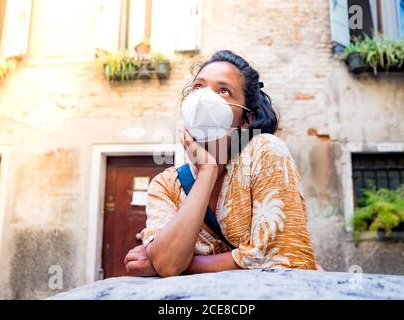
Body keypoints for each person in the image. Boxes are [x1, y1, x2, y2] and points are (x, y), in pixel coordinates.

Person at [124, 50, 318, 277]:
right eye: (198, 87)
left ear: (247, 120)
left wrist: (183, 264)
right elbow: (168, 264)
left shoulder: (264, 152)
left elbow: (285, 255)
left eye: (223, 91)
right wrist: (207, 171)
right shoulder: (166, 185)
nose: (204, 98)